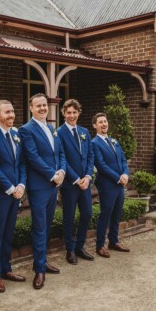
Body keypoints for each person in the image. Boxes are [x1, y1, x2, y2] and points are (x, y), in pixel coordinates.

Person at [19, 93, 66, 290]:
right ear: (31, 108)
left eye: (44, 105)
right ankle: (39, 269)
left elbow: (60, 153)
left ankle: (43, 260)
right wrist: (52, 175)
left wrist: (62, 170)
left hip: (53, 186)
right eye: (38, 105)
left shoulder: (52, 128)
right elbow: (32, 157)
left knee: (47, 226)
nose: (42, 108)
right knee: (39, 227)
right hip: (39, 186)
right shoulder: (26, 130)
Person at [0, 100, 26, 293]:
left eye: (12, 111)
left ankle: (6, 268)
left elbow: (21, 164)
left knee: (9, 232)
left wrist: (21, 184)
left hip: (16, 192)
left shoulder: (16, 134)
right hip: (1, 194)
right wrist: (10, 188)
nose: (11, 115)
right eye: (7, 112)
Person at [57, 99, 94, 265]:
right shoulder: (59, 133)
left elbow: (90, 156)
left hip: (85, 183)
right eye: (69, 112)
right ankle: (70, 250)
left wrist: (87, 177)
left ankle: (80, 246)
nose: (72, 115)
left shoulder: (84, 131)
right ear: (63, 113)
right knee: (69, 217)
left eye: (74, 112)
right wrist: (76, 179)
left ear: (79, 113)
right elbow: (62, 159)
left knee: (87, 214)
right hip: (70, 184)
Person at [92, 112, 130, 258]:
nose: (104, 124)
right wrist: (117, 177)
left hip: (120, 184)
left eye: (105, 121)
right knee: (105, 215)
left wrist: (125, 174)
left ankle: (114, 241)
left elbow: (123, 160)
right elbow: (101, 165)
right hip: (107, 185)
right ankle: (100, 245)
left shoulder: (114, 141)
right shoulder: (94, 143)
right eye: (100, 122)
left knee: (116, 214)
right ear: (95, 125)